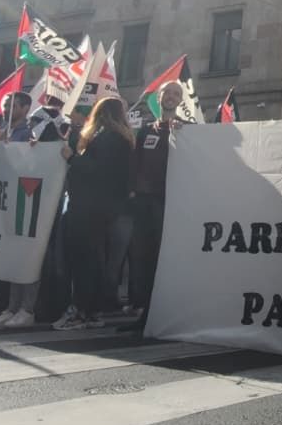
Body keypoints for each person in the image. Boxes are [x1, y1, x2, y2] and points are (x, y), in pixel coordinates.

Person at [55, 96, 134, 331]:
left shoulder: (108, 138)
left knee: (85, 260)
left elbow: (97, 172)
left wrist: (72, 159)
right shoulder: (121, 138)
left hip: (90, 207)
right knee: (95, 259)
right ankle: (91, 311)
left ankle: (82, 311)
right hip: (104, 207)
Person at [121, 80, 185, 335]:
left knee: (162, 260)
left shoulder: (187, 130)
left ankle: (160, 314)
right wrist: (133, 191)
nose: (170, 97)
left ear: (181, 100)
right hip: (144, 204)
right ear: (158, 98)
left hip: (169, 204)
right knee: (141, 259)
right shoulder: (146, 130)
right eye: (166, 93)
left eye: (176, 94)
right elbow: (133, 165)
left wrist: (183, 135)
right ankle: (144, 312)